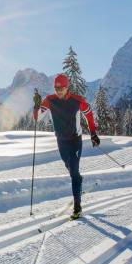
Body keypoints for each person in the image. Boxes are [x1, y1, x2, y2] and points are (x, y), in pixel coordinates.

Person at [33, 73, 100, 219]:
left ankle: (77, 206)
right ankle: (78, 179)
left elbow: (88, 115)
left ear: (66, 87)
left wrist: (93, 133)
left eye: (61, 88)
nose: (58, 90)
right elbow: (38, 118)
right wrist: (37, 105)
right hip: (61, 141)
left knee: (74, 171)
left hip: (75, 140)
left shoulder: (77, 100)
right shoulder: (50, 100)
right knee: (70, 169)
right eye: (56, 88)